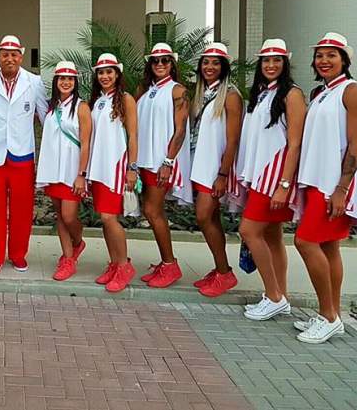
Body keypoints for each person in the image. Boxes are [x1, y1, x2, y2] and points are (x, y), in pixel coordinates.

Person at [294, 32, 357, 343]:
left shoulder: (352, 92)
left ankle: (329, 316)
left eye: (332, 55)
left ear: (345, 60)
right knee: (329, 247)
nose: (324, 60)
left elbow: (355, 145)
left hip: (334, 187)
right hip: (316, 182)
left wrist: (342, 189)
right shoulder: (323, 93)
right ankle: (331, 314)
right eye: (320, 55)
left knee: (305, 242)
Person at [237, 38, 305, 321]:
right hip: (260, 176)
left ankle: (273, 296)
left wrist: (284, 184)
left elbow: (295, 142)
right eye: (266, 60)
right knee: (273, 237)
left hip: (274, 177)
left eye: (277, 60)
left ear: (285, 63)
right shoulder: (263, 93)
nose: (271, 64)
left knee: (249, 231)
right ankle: (281, 296)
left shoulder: (292, 94)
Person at [0, 35, 47, 276]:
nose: (9, 58)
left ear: (21, 56)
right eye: (5, 54)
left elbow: (46, 118)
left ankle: (18, 254)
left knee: (22, 209)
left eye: (14, 54)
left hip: (22, 154)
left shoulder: (34, 82)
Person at [189, 43, 243, 297]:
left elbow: (233, 140)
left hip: (215, 170)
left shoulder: (230, 95)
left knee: (203, 216)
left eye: (216, 63)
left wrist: (222, 174)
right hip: (200, 166)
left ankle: (224, 273)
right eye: (206, 63)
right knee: (210, 220)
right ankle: (221, 269)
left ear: (224, 67)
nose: (210, 67)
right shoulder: (202, 93)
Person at [136, 42, 191, 288]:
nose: (160, 64)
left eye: (165, 60)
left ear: (172, 64)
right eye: (156, 61)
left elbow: (179, 131)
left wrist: (168, 161)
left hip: (162, 162)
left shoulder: (177, 91)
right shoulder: (145, 91)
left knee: (153, 211)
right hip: (145, 162)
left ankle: (170, 264)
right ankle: (166, 262)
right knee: (150, 211)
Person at [86, 53, 138, 293]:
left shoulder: (125, 98)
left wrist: (132, 167)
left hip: (116, 166)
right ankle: (114, 264)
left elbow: (133, 135)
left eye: (109, 72)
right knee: (104, 220)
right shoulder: (97, 101)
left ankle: (124, 265)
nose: (105, 76)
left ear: (117, 74)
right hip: (98, 167)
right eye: (101, 72)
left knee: (110, 218)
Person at [36, 62, 92, 281]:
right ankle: (67, 258)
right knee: (60, 216)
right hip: (53, 170)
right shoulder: (51, 108)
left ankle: (78, 243)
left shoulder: (81, 107)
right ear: (56, 81)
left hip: (71, 171)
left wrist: (81, 174)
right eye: (61, 78)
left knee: (69, 216)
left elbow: (86, 144)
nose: (65, 82)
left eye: (69, 79)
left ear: (75, 82)